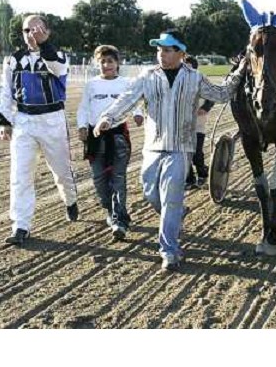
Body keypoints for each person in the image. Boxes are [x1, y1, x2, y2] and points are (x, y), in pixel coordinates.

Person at [93, 30, 245, 271]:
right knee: (150, 194)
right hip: (152, 148)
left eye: (167, 49)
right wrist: (107, 118)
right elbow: (126, 99)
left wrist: (238, 73)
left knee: (171, 198)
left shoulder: (195, 78)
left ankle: (169, 251)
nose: (161, 54)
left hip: (180, 148)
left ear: (181, 53)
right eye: (159, 49)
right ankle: (175, 214)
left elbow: (221, 94)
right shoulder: (147, 76)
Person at [0, 15, 78, 246]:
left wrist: (43, 46)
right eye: (27, 30)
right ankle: (21, 225)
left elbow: (56, 67)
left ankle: (70, 200)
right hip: (24, 120)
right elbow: (5, 92)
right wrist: (4, 122)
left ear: (47, 31)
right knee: (20, 175)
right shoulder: (13, 60)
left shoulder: (58, 56)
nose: (31, 33)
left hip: (52, 119)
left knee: (61, 171)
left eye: (37, 29)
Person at [77, 45, 144, 240]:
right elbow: (83, 108)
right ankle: (111, 209)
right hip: (95, 137)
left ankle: (119, 221)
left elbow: (134, 103)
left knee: (118, 178)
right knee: (99, 180)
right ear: (97, 64)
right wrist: (82, 126)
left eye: (110, 61)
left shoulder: (126, 83)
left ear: (117, 63)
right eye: (102, 62)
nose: (106, 65)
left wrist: (138, 114)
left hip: (118, 137)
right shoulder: (91, 84)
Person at [183, 55, 214, 189]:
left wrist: (204, 108)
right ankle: (189, 179)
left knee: (196, 153)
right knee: (184, 154)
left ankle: (202, 174)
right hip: (182, 125)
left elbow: (211, 97)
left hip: (198, 125)